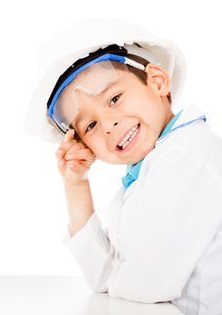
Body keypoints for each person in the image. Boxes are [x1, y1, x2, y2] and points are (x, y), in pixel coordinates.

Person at [24, 18, 222, 315]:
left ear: (157, 81)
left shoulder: (185, 157)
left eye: (114, 98)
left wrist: (118, 277)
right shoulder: (151, 168)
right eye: (89, 125)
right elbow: (104, 277)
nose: (107, 125)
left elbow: (147, 286)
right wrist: (76, 184)